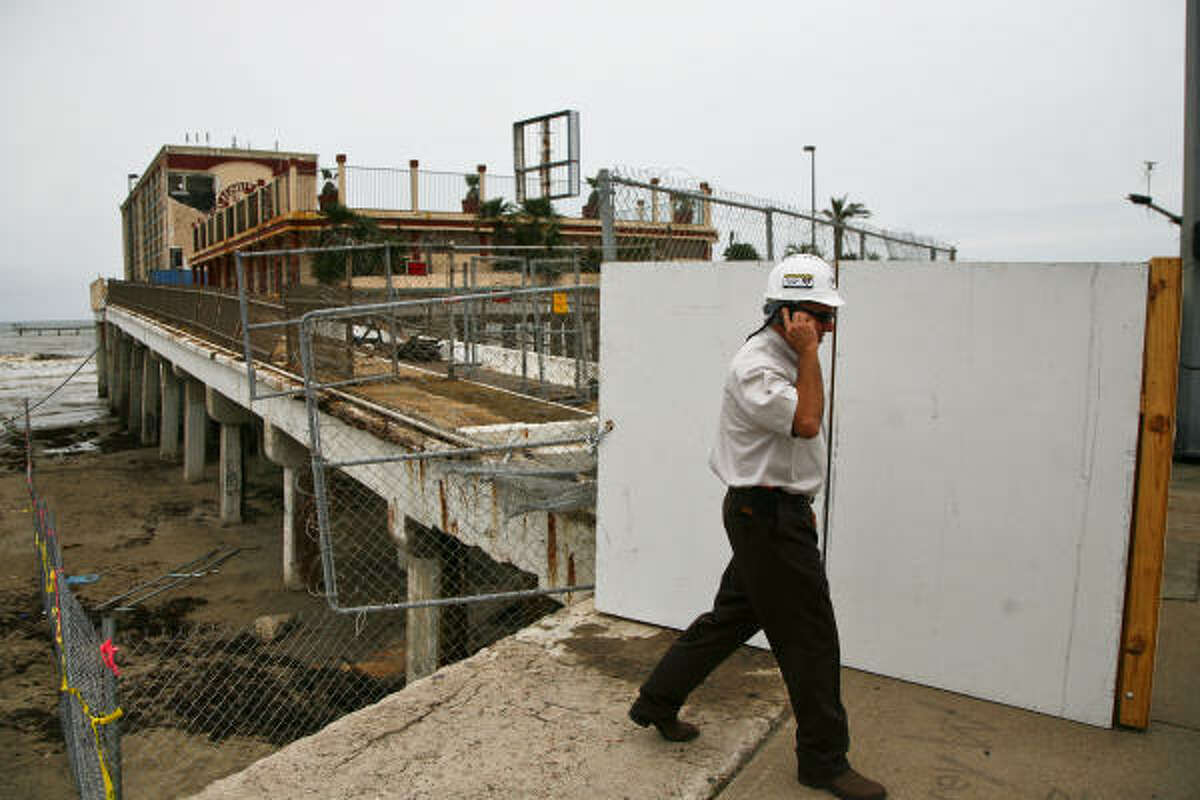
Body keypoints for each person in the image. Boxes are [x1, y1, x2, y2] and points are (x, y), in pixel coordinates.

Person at [628, 255, 887, 800]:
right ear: (787, 313)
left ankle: (656, 702)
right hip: (765, 518)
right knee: (812, 641)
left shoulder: (788, 356)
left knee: (730, 618)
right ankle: (823, 761)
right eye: (818, 316)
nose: (828, 327)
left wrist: (800, 499)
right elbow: (807, 422)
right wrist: (810, 352)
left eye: (828, 317)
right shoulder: (760, 367)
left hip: (772, 513)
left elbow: (796, 440)